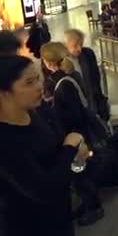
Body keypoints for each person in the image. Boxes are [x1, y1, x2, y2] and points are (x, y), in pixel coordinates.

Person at [0, 55, 86, 236]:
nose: (40, 86)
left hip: (60, 218)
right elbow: (43, 189)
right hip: (31, 226)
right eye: (29, 82)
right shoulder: (6, 140)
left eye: (38, 78)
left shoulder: (36, 112)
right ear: (4, 92)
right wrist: (69, 148)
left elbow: (55, 154)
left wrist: (75, 151)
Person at [40, 42, 105, 226]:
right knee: (79, 174)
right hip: (79, 135)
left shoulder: (61, 84)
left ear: (49, 62)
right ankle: (87, 204)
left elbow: (73, 114)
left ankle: (94, 207)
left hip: (76, 137)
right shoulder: (67, 78)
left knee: (79, 176)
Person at [64, 29, 108, 121]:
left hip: (92, 100)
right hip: (76, 106)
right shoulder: (61, 62)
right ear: (65, 45)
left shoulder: (88, 54)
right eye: (75, 46)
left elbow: (95, 79)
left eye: (81, 44)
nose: (79, 49)